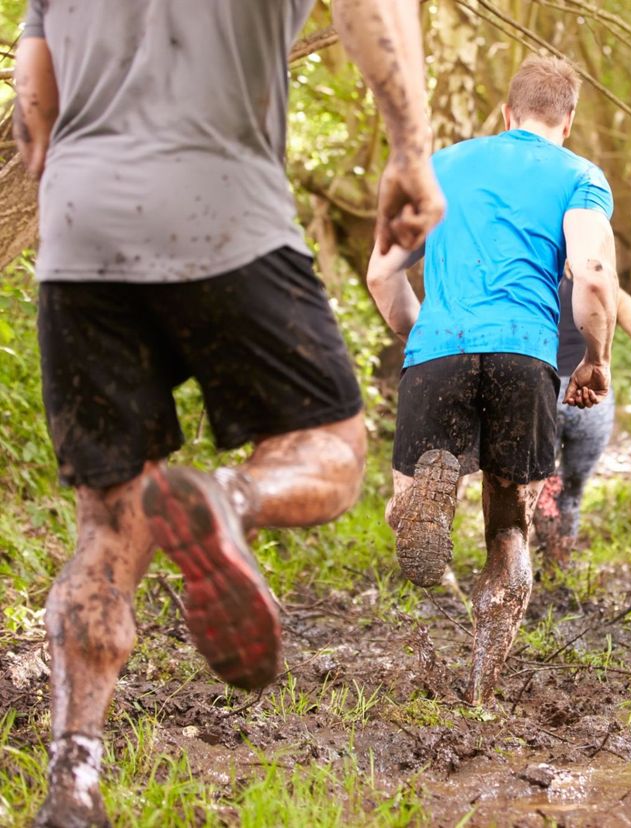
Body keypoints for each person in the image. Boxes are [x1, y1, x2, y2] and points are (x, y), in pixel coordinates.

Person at [13, 2, 444, 825]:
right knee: (333, 445)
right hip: (224, 210)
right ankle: (229, 499)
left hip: (80, 232)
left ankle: (74, 778)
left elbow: (36, 110)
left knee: (107, 524)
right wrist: (411, 153)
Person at [366, 56, 618, 706]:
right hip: (526, 356)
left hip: (438, 351)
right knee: (510, 529)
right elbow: (590, 273)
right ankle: (479, 695)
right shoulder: (580, 176)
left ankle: (430, 490)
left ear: (506, 113)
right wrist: (595, 360)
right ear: (569, 120)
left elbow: (380, 273)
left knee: (412, 489)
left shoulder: (439, 168)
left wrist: (421, 337)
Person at [534, 272, 631, 568]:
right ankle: (559, 562)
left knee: (538, 482)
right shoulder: (610, 291)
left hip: (541, 392)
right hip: (589, 398)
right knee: (572, 489)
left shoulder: (535, 283)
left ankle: (536, 554)